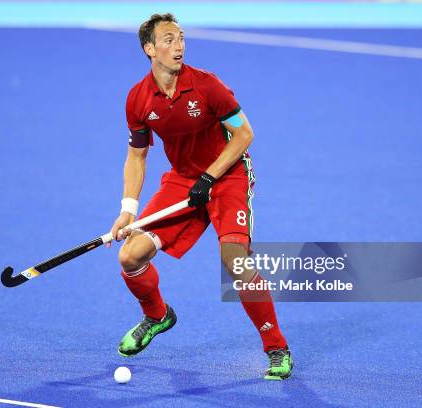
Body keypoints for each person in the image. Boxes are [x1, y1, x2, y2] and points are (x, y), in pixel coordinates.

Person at [109, 13, 293, 380]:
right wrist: (128, 210)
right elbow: (137, 155)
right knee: (130, 256)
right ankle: (157, 316)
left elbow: (244, 135)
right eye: (168, 39)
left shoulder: (208, 86)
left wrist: (210, 176)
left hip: (226, 176)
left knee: (235, 261)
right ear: (149, 48)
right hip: (182, 181)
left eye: (180, 38)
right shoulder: (138, 99)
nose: (178, 46)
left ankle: (277, 348)